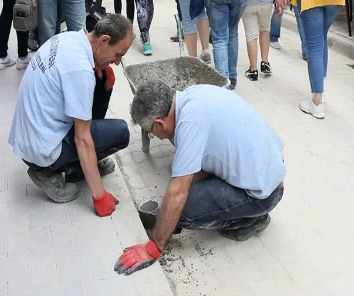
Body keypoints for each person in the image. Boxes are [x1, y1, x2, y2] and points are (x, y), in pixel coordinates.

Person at [115, 81, 285, 275]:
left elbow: (179, 191)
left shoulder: (190, 123)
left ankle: (251, 220)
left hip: (265, 194)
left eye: (151, 133)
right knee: (182, 183)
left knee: (183, 210)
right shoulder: (192, 96)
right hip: (270, 171)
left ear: (158, 124)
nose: (157, 137)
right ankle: (248, 211)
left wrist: (152, 247)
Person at [8, 14, 134, 209]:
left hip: (30, 137)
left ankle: (77, 165)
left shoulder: (70, 38)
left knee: (103, 80)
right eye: (118, 54)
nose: (118, 61)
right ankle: (49, 171)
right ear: (104, 40)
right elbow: (82, 138)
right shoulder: (81, 71)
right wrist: (99, 197)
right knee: (121, 132)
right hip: (42, 151)